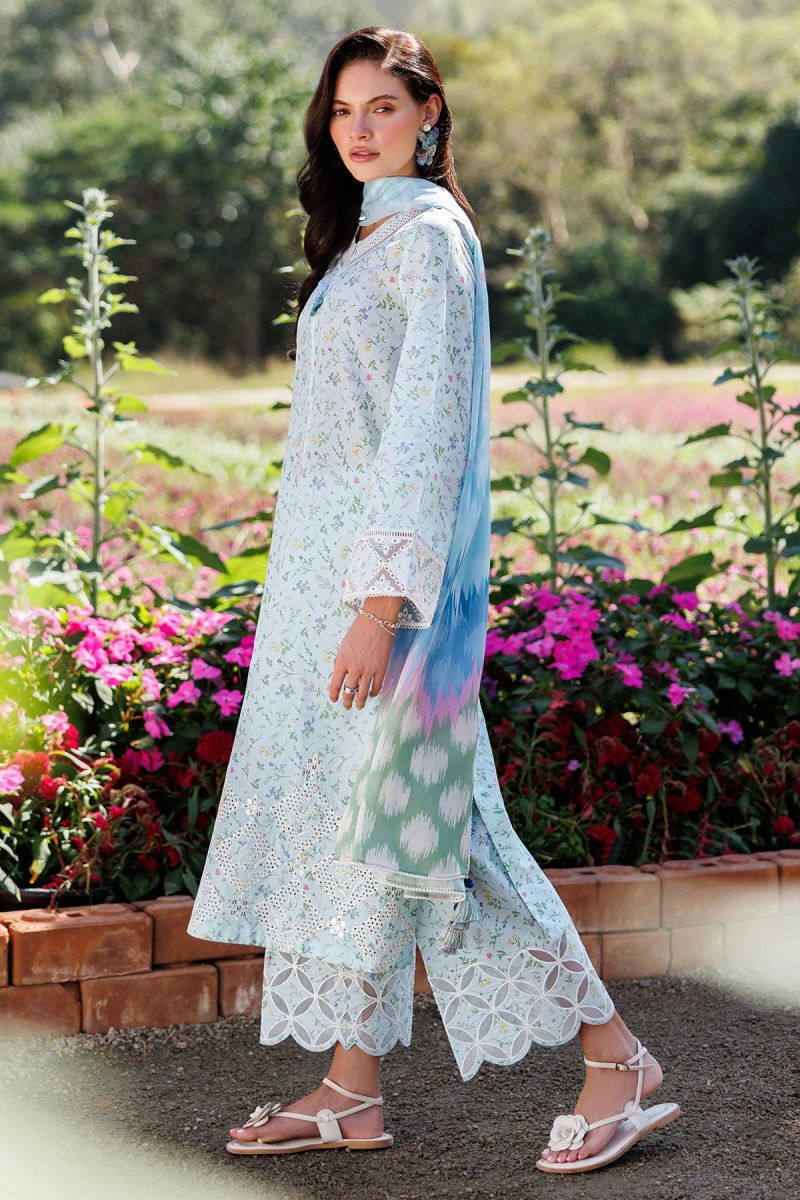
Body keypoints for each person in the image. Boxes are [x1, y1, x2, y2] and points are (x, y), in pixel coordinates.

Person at [186, 25, 680, 1175]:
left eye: (382, 108)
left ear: (429, 115)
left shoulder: (429, 241)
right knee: (357, 835)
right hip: (323, 589)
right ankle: (348, 1092)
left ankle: (616, 1060)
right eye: (341, 111)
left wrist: (379, 609)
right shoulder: (363, 240)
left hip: (391, 604)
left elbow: (420, 437)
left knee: (444, 829)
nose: (357, 129)